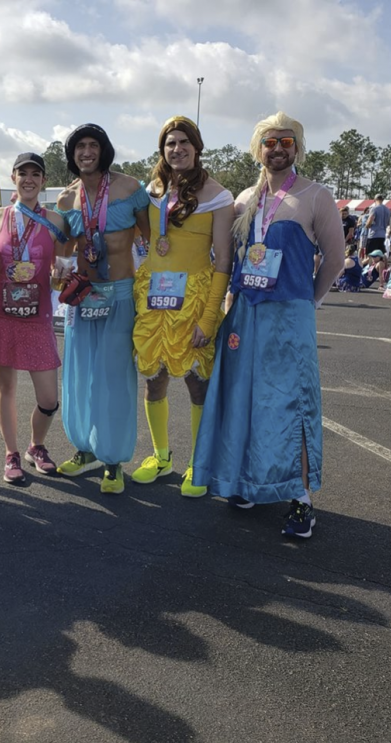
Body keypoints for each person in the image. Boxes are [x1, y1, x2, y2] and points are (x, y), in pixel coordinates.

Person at [191, 112, 344, 539]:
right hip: (245, 313)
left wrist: (308, 301)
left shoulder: (316, 196)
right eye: (270, 142)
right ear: (258, 149)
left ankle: (301, 498)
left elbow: (335, 259)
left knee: (292, 403)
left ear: (298, 147)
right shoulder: (244, 199)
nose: (277, 149)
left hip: (288, 315)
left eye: (286, 142)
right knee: (244, 399)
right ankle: (249, 483)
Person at [131, 116, 234, 496]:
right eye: (170, 143)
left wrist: (209, 317)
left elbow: (224, 261)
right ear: (162, 149)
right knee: (153, 378)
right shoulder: (151, 190)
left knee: (196, 383)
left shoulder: (218, 195)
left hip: (194, 298)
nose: (177, 149)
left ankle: (198, 463)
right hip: (154, 299)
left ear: (197, 146)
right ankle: (161, 457)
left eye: (184, 142)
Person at [54, 124, 151, 493]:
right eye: (80, 146)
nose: (86, 152)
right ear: (72, 154)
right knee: (78, 376)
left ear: (104, 150)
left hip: (121, 294)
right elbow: (63, 253)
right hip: (83, 297)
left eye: (93, 145)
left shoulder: (129, 188)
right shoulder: (67, 198)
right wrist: (58, 272)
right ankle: (85, 449)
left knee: (115, 379)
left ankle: (112, 460)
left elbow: (151, 238)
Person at [0, 153, 68, 484]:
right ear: (13, 178)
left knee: (49, 399)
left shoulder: (55, 220)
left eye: (35, 174)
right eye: (22, 173)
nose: (28, 179)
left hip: (38, 315)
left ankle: (36, 446)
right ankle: (11, 453)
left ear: (43, 180)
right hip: (3, 314)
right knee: (6, 387)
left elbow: (62, 267)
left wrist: (60, 275)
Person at [363, 193, 391, 261]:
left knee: (370, 256)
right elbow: (389, 223)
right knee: (382, 256)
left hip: (374, 235)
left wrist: (366, 225)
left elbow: (370, 221)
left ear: (374, 200)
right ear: (382, 200)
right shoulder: (388, 210)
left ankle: (370, 267)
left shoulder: (374, 209)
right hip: (383, 236)